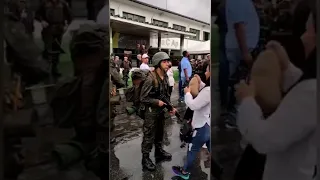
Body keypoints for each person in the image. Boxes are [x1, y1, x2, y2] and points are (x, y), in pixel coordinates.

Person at [235, 6, 317, 180]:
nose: (303, 37)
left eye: (308, 31)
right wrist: (287, 67)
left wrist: (247, 100)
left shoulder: (311, 93)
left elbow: (263, 139)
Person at [222, 0, 260, 128]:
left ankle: (237, 114)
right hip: (241, 49)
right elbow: (239, 26)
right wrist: (245, 52)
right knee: (239, 82)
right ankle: (233, 117)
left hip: (243, 48)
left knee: (242, 80)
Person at [140, 51, 177, 171]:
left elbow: (165, 95)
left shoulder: (165, 76)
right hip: (151, 112)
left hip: (161, 111)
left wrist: (170, 107)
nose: (168, 64)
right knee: (149, 135)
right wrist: (157, 102)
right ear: (157, 63)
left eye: (168, 61)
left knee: (160, 132)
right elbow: (143, 98)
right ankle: (145, 159)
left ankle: (159, 152)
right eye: (165, 62)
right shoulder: (150, 78)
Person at [172, 67, 211, 179]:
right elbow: (205, 91)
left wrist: (187, 93)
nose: (205, 72)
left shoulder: (208, 91)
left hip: (201, 127)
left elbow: (193, 105)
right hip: (208, 125)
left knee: (192, 150)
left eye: (207, 70)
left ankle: (184, 172)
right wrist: (200, 81)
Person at [35, 0, 72, 78]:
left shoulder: (63, 4)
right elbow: (37, 14)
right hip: (48, 29)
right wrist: (42, 21)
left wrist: (66, 25)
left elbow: (69, 16)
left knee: (56, 49)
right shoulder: (44, 3)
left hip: (59, 29)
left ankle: (54, 68)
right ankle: (46, 69)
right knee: (48, 49)